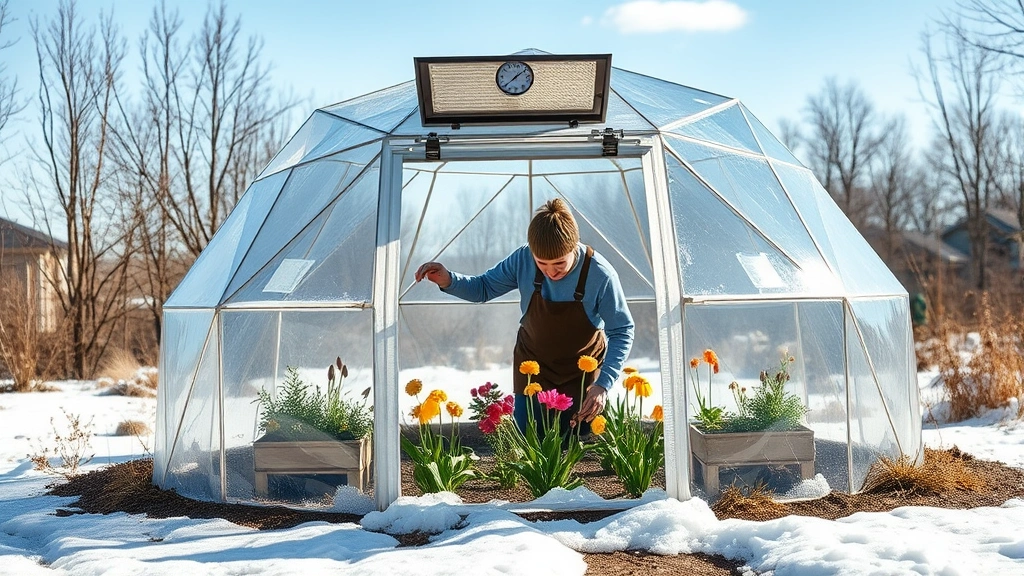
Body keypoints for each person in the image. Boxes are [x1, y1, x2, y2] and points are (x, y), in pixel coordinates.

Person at [415, 198, 635, 435]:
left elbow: (621, 330)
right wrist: (448, 280)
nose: (551, 272)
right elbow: (484, 287)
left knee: (578, 447)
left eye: (559, 263)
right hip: (533, 368)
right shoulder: (522, 259)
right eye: (542, 263)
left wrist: (603, 384)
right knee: (530, 444)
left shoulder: (600, 275)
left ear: (575, 246)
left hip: (582, 376)